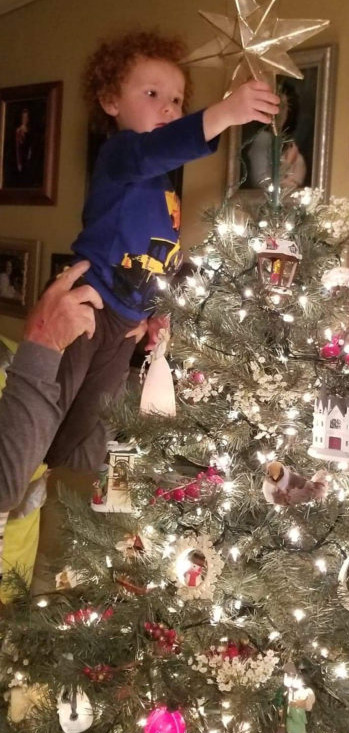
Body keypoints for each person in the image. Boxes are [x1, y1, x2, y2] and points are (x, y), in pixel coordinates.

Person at [44, 30, 279, 474]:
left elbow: (159, 256)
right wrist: (225, 112)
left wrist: (155, 311)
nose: (168, 108)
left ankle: (41, 485)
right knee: (51, 405)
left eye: (176, 100)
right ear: (112, 101)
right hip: (88, 306)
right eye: (152, 94)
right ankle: (18, 479)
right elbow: (157, 149)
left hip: (127, 322)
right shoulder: (120, 154)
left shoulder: (162, 186)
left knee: (91, 417)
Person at [0, 260, 102, 513]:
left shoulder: (22, 361)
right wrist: (45, 342)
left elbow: (82, 458)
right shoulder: (26, 370)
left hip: (20, 546)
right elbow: (4, 487)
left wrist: (119, 358)